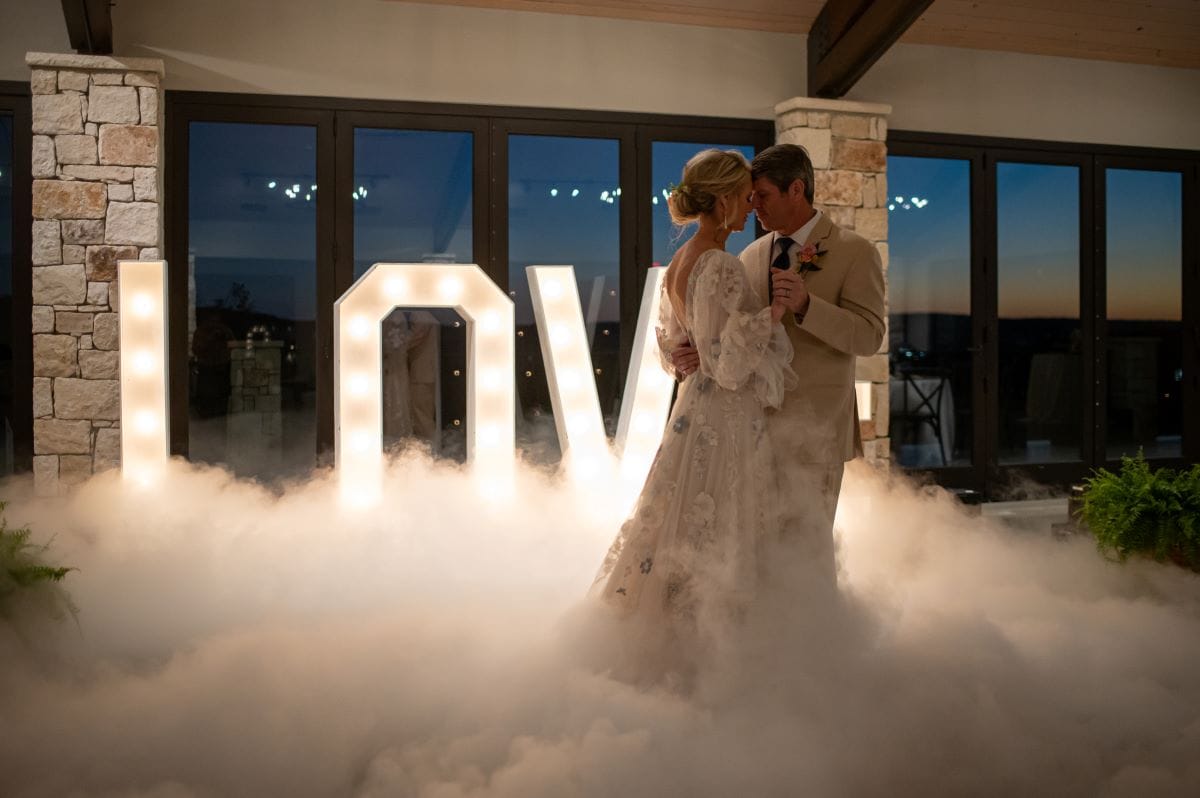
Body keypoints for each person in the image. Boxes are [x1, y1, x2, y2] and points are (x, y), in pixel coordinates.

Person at [592, 149, 796, 680]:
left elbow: (672, 347)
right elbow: (730, 367)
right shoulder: (722, 264)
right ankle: (715, 653)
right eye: (745, 197)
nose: (751, 206)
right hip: (725, 414)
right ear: (725, 199)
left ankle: (664, 639)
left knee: (679, 517)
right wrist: (772, 314)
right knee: (723, 519)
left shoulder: (679, 262)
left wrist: (691, 354)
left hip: (692, 410)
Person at [671, 143, 886, 592]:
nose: (753, 205)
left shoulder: (854, 252)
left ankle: (815, 644)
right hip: (747, 433)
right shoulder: (748, 256)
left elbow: (869, 336)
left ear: (797, 189)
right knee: (757, 555)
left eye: (763, 195)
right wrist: (691, 354)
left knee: (807, 551)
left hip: (815, 429)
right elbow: (719, 336)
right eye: (749, 196)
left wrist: (808, 305)